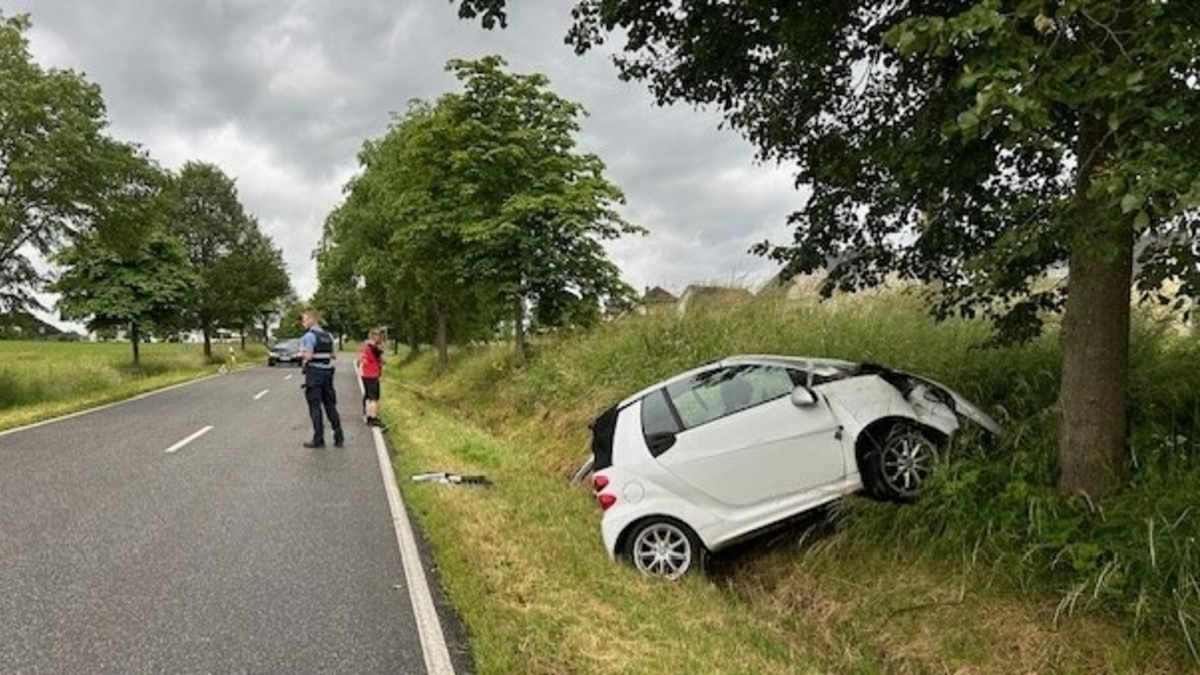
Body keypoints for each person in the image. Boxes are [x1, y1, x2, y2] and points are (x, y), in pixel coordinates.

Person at [299, 309, 344, 448]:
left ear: (312, 320)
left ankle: (318, 438)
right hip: (328, 372)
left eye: (304, 320)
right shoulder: (328, 336)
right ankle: (338, 436)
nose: (303, 322)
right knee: (330, 404)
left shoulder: (309, 336)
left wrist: (300, 353)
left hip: (314, 373)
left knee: (315, 406)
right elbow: (334, 355)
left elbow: (309, 356)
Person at [357, 328, 386, 428]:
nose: (380, 339)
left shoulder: (364, 345)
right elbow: (382, 359)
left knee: (368, 395)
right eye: (378, 336)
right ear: (374, 336)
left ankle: (367, 415)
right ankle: (372, 418)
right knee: (374, 397)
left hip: (365, 373)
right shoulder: (374, 347)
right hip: (372, 374)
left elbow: (359, 358)